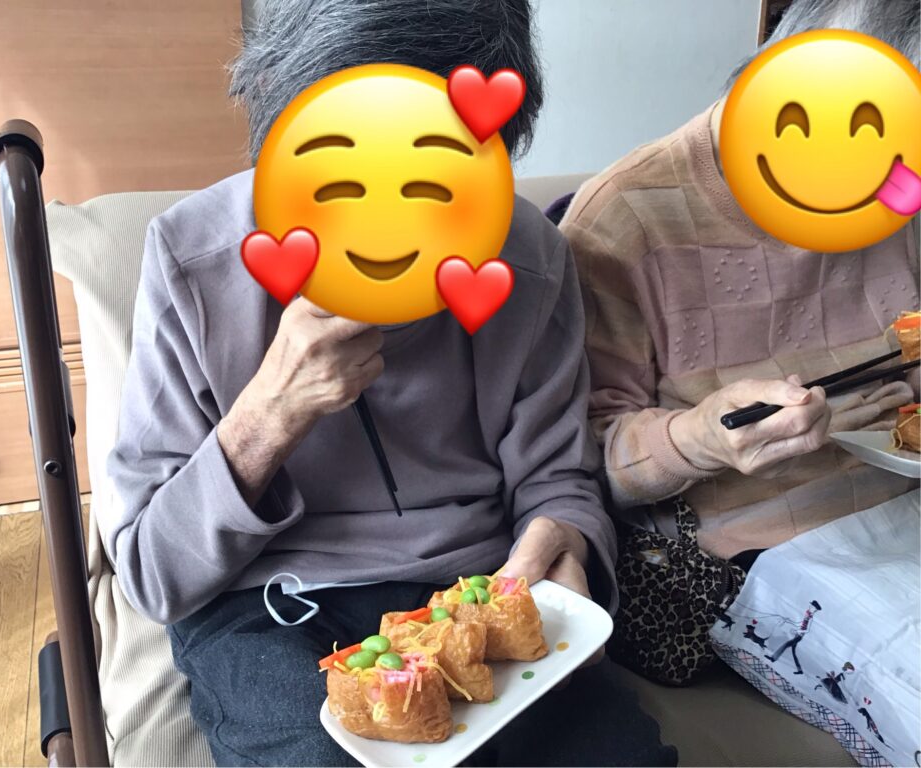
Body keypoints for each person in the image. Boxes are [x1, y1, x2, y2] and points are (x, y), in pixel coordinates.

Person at [106, 1, 674, 765]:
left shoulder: (528, 259)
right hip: (265, 606)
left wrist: (565, 541)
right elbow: (152, 574)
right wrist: (269, 413)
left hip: (473, 587)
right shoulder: (192, 260)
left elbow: (557, 481)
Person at [559, 0, 920, 561]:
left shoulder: (901, 186)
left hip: (901, 512)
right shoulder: (622, 219)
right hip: (744, 559)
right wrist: (702, 436)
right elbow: (583, 464)